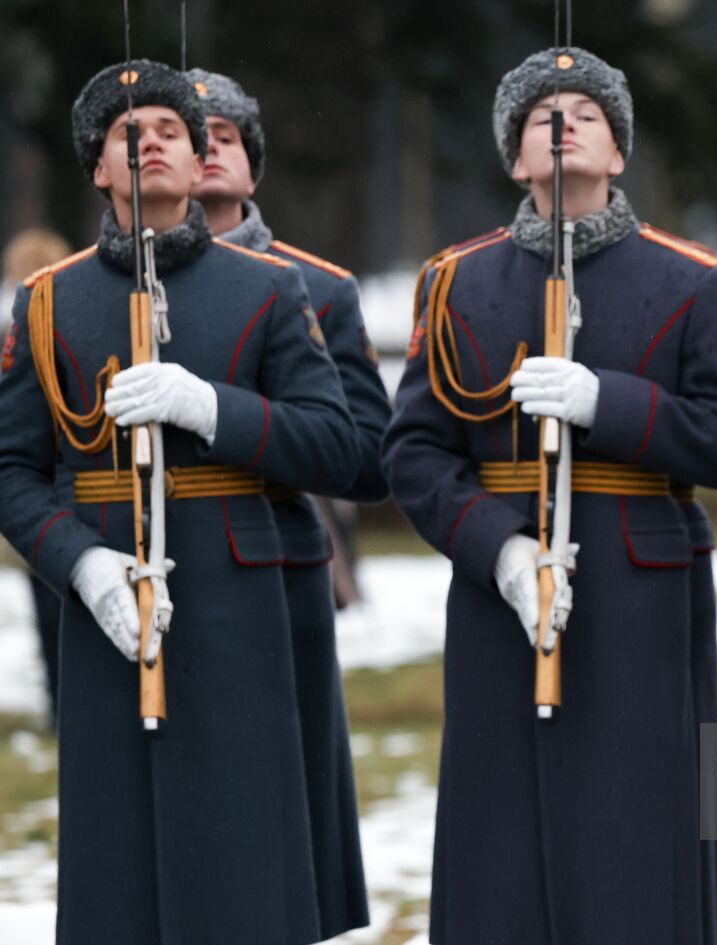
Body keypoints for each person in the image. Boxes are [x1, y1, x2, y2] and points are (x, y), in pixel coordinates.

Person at [381, 47, 717, 944]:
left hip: (642, 596)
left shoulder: (690, 276)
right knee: (499, 841)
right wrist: (499, 547)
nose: (562, 125)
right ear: (515, 160)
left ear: (619, 152)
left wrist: (609, 403)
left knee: (637, 836)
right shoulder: (456, 282)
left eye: (585, 113)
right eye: (538, 117)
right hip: (500, 600)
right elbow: (415, 452)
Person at [0, 59, 357, 945]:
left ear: (200, 161)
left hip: (239, 606)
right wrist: (80, 563)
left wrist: (212, 407)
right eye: (127, 133)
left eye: (168, 130)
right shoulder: (46, 302)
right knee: (115, 860)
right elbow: (11, 468)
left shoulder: (270, 290)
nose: (148, 142)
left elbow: (338, 445)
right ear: (97, 168)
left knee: (242, 853)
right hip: (105, 605)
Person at [188, 67, 386, 940]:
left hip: (276, 559)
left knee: (282, 809)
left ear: (252, 168)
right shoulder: (87, 286)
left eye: (223, 136)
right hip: (147, 559)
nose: (201, 152)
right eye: (183, 134)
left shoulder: (322, 287)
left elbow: (368, 455)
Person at [3, 228, 72, 726]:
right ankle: (59, 699)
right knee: (50, 602)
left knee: (54, 602)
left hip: (53, 480)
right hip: (45, 481)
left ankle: (60, 698)